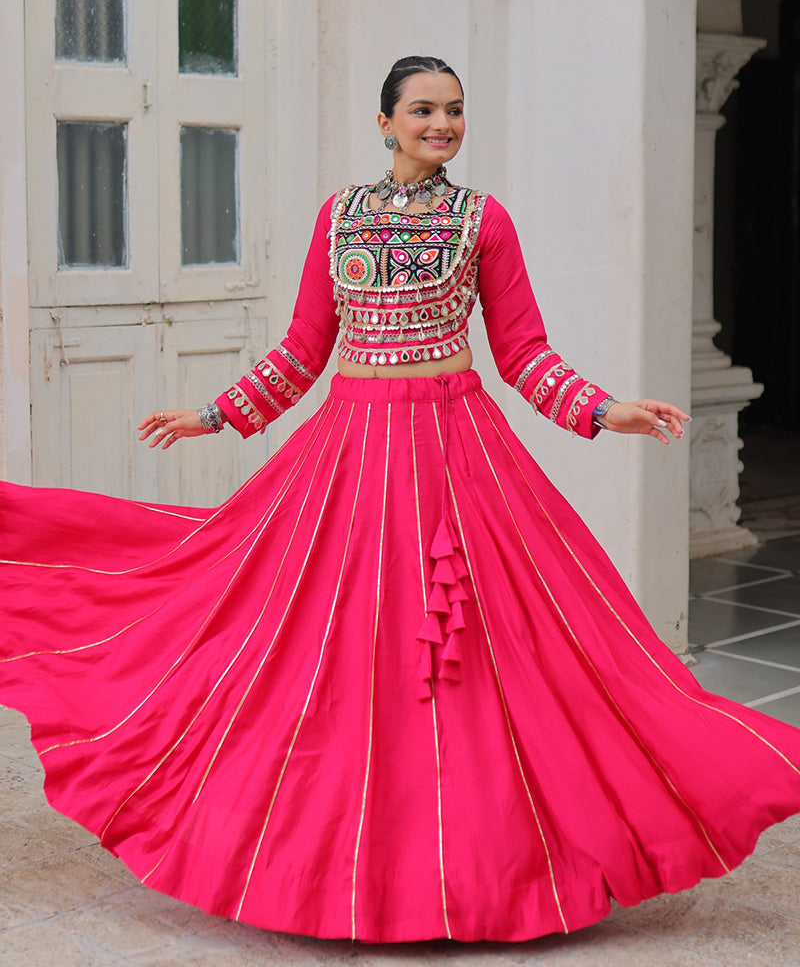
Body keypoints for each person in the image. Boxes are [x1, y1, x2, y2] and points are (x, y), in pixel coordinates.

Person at [2, 55, 800, 945]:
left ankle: (480, 869)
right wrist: (212, 415)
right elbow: (305, 352)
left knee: (484, 663)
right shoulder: (340, 216)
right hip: (350, 452)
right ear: (385, 122)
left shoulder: (483, 220)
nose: (442, 125)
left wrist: (605, 409)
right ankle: (341, 866)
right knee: (327, 654)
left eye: (454, 111)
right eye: (423, 110)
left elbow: (525, 356)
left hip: (459, 454)